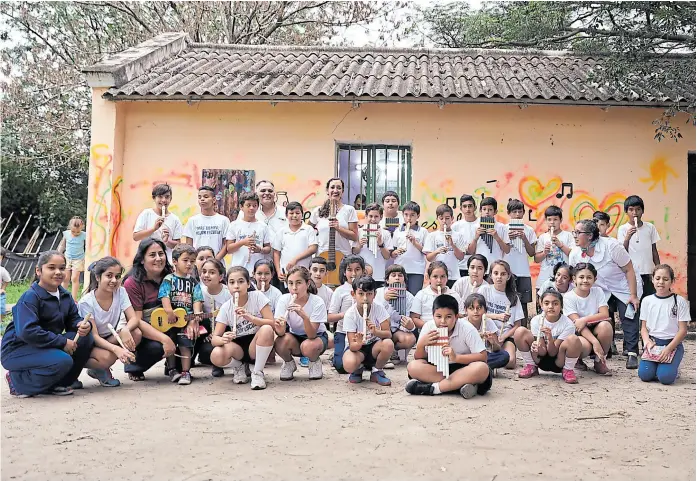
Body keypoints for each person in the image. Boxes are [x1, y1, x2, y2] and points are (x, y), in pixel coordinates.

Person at [2, 251, 93, 397]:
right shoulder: (30, 297)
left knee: (85, 337)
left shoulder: (64, 295)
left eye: (62, 268)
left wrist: (81, 325)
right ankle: (17, 382)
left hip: (44, 345)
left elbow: (73, 320)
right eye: (51, 268)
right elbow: (27, 332)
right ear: (38, 271)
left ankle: (61, 383)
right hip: (18, 349)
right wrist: (62, 342)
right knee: (62, 361)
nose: (58, 272)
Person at [568, 219, 642, 369]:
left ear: (589, 235)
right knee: (602, 319)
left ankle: (632, 353)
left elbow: (629, 269)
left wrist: (633, 295)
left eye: (577, 232)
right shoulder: (575, 252)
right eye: (574, 232)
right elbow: (573, 278)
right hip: (602, 289)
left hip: (624, 286)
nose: (574, 236)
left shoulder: (611, 246)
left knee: (628, 315)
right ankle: (603, 350)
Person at [405, 294, 492, 398]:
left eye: (448, 317)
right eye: (438, 316)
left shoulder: (467, 328)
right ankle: (459, 385)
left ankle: (434, 389)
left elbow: (483, 356)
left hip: (464, 368)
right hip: (438, 370)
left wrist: (456, 357)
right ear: (433, 316)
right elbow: (419, 358)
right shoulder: (428, 327)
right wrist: (421, 345)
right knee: (413, 366)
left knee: (482, 368)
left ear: (456, 317)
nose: (443, 321)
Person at [209, 266, 277, 390]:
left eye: (241, 282)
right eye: (232, 282)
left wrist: (251, 318)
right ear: (227, 285)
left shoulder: (257, 297)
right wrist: (223, 339)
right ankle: (239, 366)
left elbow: (272, 323)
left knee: (267, 329)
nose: (236, 286)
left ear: (248, 283)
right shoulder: (225, 307)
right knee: (216, 354)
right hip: (237, 348)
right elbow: (215, 339)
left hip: (257, 344)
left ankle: (257, 372)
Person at [78, 257, 141, 387]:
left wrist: (125, 329)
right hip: (91, 343)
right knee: (106, 358)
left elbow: (134, 318)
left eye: (117, 276)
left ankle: (101, 367)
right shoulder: (86, 302)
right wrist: (117, 349)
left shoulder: (121, 291)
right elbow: (94, 336)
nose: (114, 280)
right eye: (109, 276)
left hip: (108, 337)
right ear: (97, 277)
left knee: (136, 333)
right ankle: (91, 366)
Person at [122, 239, 177, 382]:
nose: (158, 258)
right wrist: (165, 339)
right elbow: (137, 320)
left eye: (161, 254)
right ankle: (134, 366)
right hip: (145, 330)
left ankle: (173, 365)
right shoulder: (132, 283)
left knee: (196, 330)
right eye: (152, 255)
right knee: (156, 347)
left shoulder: (172, 276)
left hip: (170, 324)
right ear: (141, 259)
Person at [158, 243, 203, 385]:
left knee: (185, 345)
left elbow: (197, 300)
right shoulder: (169, 279)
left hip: (186, 320)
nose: (189, 264)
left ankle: (186, 372)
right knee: (170, 343)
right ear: (175, 261)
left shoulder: (194, 282)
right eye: (186, 260)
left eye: (192, 261)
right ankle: (172, 369)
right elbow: (164, 296)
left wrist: (196, 315)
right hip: (170, 320)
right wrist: (169, 311)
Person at [514, 289, 581, 384]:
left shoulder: (568, 324)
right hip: (540, 358)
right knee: (520, 331)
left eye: (555, 303)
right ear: (541, 305)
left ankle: (568, 370)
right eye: (546, 303)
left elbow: (553, 353)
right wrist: (536, 346)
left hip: (559, 361)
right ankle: (531, 365)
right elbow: (542, 352)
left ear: (561, 306)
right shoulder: (536, 320)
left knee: (574, 339)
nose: (550, 307)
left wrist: (549, 338)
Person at [638, 264, 690, 385]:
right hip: (654, 344)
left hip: (672, 344)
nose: (661, 282)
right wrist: (647, 342)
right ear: (652, 279)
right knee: (645, 375)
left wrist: (668, 349)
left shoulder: (680, 301)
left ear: (672, 281)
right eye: (657, 278)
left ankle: (671, 368)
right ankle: (658, 366)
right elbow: (644, 327)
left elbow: (683, 330)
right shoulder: (647, 301)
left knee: (666, 378)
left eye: (665, 279)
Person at [275, 266, 328, 381]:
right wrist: (280, 326)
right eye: (290, 283)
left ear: (308, 283)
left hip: (316, 337)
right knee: (280, 342)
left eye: (298, 283)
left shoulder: (317, 302)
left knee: (309, 346)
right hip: (295, 336)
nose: (294, 288)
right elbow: (280, 333)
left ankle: (314, 361)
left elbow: (312, 335)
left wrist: (304, 316)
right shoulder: (284, 299)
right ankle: (289, 363)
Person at [341, 276, 394, 386]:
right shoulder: (350, 314)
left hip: (374, 347)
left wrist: (376, 332)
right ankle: (358, 369)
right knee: (348, 363)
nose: (365, 298)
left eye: (369, 294)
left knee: (388, 344)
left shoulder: (379, 308)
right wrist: (359, 343)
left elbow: (388, 334)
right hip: (357, 350)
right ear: (353, 294)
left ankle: (377, 371)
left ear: (374, 294)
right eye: (361, 294)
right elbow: (352, 346)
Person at [563, 263, 612, 375]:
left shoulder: (598, 292)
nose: (585, 280)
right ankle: (576, 359)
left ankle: (599, 361)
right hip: (578, 332)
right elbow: (577, 324)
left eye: (589, 277)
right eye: (581, 277)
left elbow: (604, 314)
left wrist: (584, 320)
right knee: (583, 344)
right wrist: (595, 342)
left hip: (594, 327)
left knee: (606, 326)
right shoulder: (568, 297)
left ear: (595, 279)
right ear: (574, 279)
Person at [478, 260, 523, 369]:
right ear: (490, 275)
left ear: (508, 276)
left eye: (503, 274)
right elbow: (477, 314)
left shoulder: (513, 297)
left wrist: (503, 337)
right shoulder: (485, 290)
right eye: (496, 273)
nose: (499, 277)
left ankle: (490, 361)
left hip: (505, 335)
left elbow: (518, 325)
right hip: (487, 332)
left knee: (511, 362)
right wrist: (497, 316)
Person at [617, 195, 660, 299]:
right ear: (626, 212)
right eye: (631, 210)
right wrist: (627, 238)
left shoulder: (650, 227)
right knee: (635, 303)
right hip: (633, 274)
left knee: (650, 299)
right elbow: (622, 253)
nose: (635, 213)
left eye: (638, 209)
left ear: (642, 211)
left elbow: (654, 250)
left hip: (649, 272)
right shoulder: (623, 229)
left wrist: (658, 268)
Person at [328, 255, 365, 373]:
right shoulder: (340, 291)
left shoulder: (367, 289)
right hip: (343, 332)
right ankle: (339, 356)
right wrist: (346, 314)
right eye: (349, 270)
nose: (353, 273)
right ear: (344, 272)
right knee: (341, 367)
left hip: (362, 332)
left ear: (363, 271)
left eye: (357, 269)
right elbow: (329, 317)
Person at [375, 264, 416, 365]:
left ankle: (392, 350)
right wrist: (385, 301)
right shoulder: (378, 293)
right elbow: (373, 315)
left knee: (409, 339)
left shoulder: (409, 297)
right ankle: (382, 352)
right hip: (379, 331)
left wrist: (409, 327)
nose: (397, 278)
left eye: (400, 275)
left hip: (396, 331)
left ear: (404, 280)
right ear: (387, 280)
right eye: (393, 275)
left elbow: (406, 320)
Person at [504, 199, 537, 324]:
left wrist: (524, 239)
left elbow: (532, 253)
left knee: (523, 305)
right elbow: (503, 250)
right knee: (507, 302)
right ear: (509, 213)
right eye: (514, 212)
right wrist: (508, 239)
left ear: (523, 212)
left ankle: (522, 330)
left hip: (523, 273)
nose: (517, 214)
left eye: (520, 211)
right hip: (508, 273)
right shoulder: (503, 229)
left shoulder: (529, 230)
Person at [197, 258, 231, 377]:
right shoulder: (200, 291)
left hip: (226, 329)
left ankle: (220, 365)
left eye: (212, 272)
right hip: (208, 330)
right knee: (206, 351)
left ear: (221, 277)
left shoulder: (228, 293)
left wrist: (217, 334)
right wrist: (207, 335)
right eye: (204, 271)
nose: (206, 275)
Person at [133, 183, 183, 262]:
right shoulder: (146, 214)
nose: (163, 200)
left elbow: (178, 246)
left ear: (170, 199)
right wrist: (154, 229)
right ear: (154, 198)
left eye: (167, 197)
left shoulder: (175, 219)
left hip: (167, 261)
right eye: (160, 196)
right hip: (146, 260)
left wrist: (167, 241)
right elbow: (136, 237)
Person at [309, 178, 359, 257]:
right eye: (332, 187)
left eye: (339, 188)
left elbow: (354, 236)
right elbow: (308, 231)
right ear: (327, 190)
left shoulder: (349, 210)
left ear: (342, 192)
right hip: (322, 256)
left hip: (344, 256)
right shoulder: (317, 210)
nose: (335, 191)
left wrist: (339, 228)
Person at [534, 206, 574, 298]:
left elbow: (572, 255)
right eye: (549, 219)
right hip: (544, 279)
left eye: (555, 219)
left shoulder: (568, 236)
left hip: (563, 282)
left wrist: (560, 245)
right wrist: (544, 252)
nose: (552, 222)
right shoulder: (543, 237)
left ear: (561, 220)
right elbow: (536, 259)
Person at [226, 192, 272, 273]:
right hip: (238, 269)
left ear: (258, 207)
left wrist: (260, 249)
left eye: (254, 205)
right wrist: (243, 242)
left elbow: (268, 248)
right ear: (241, 207)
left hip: (257, 271)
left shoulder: (263, 226)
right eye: (248, 205)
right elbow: (229, 249)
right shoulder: (234, 225)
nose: (251, 208)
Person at [410, 262, 465, 330]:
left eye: (442, 276)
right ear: (429, 278)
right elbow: (414, 318)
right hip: (428, 333)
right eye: (435, 277)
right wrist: (430, 327)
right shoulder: (421, 294)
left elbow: (461, 317)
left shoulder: (454, 295)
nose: (439, 280)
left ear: (447, 278)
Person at [273, 201, 318, 283]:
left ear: (302, 214)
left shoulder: (308, 229)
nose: (294, 216)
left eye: (297, 213)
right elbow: (276, 252)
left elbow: (313, 248)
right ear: (286, 215)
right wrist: (278, 271)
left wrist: (295, 259)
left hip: (304, 274)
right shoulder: (281, 231)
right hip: (286, 275)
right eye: (291, 213)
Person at [424, 204, 467, 286]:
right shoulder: (432, 236)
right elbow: (428, 258)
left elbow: (461, 257)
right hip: (437, 277)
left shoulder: (458, 236)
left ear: (452, 219)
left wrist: (452, 245)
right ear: (437, 219)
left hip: (453, 276)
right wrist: (437, 251)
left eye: (447, 218)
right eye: (441, 218)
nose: (444, 221)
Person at [463, 293, 510, 370]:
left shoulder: (488, 322)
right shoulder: (462, 323)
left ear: (485, 310)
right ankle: (480, 368)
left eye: (479, 308)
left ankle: (474, 368)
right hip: (467, 355)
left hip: (483, 355)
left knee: (504, 356)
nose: (475, 311)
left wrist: (492, 342)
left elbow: (497, 348)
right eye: (471, 308)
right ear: (465, 310)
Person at [183, 186, 230, 261]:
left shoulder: (224, 220)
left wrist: (215, 260)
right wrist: (197, 260)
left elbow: (226, 244)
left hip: (217, 263)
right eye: (199, 197)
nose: (202, 199)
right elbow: (189, 246)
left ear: (214, 200)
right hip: (197, 264)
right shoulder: (192, 221)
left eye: (206, 196)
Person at [391, 201, 428, 295]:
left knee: (414, 296)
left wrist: (415, 242)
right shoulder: (398, 231)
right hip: (399, 270)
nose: (409, 218)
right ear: (402, 215)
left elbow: (427, 251)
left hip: (416, 270)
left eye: (412, 215)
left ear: (418, 216)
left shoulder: (423, 231)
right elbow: (392, 252)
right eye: (406, 215)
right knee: (399, 296)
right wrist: (395, 252)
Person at [352, 203, 393, 287]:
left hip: (379, 275)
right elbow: (354, 253)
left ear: (381, 217)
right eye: (370, 216)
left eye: (376, 216)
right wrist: (359, 245)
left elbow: (387, 256)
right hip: (362, 275)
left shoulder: (386, 233)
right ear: (366, 216)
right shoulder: (359, 232)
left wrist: (381, 244)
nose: (373, 219)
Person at [467, 197, 510, 270]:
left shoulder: (502, 227)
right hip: (480, 267)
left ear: (495, 211)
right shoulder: (474, 227)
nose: (487, 212)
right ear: (480, 210)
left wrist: (497, 237)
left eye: (490, 210)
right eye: (484, 209)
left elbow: (507, 250)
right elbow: (470, 251)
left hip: (496, 266)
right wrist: (476, 237)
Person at [58, 216, 86, 300]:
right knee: (65, 278)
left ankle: (74, 299)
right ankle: (63, 296)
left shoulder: (84, 235)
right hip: (67, 258)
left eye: (78, 231)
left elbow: (87, 246)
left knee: (74, 278)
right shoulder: (66, 234)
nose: (76, 233)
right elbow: (62, 245)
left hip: (78, 259)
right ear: (70, 227)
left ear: (82, 227)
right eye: (73, 231)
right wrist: (58, 253)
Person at [451, 194, 479, 277]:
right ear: (461, 209)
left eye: (470, 206)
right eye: (465, 206)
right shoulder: (455, 226)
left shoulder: (481, 223)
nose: (468, 209)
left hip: (479, 265)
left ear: (475, 207)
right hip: (461, 266)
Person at [0, 247, 10, 316]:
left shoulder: (2, 270)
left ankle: (0, 323)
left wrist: (2, 289)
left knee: (1, 309)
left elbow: (7, 280)